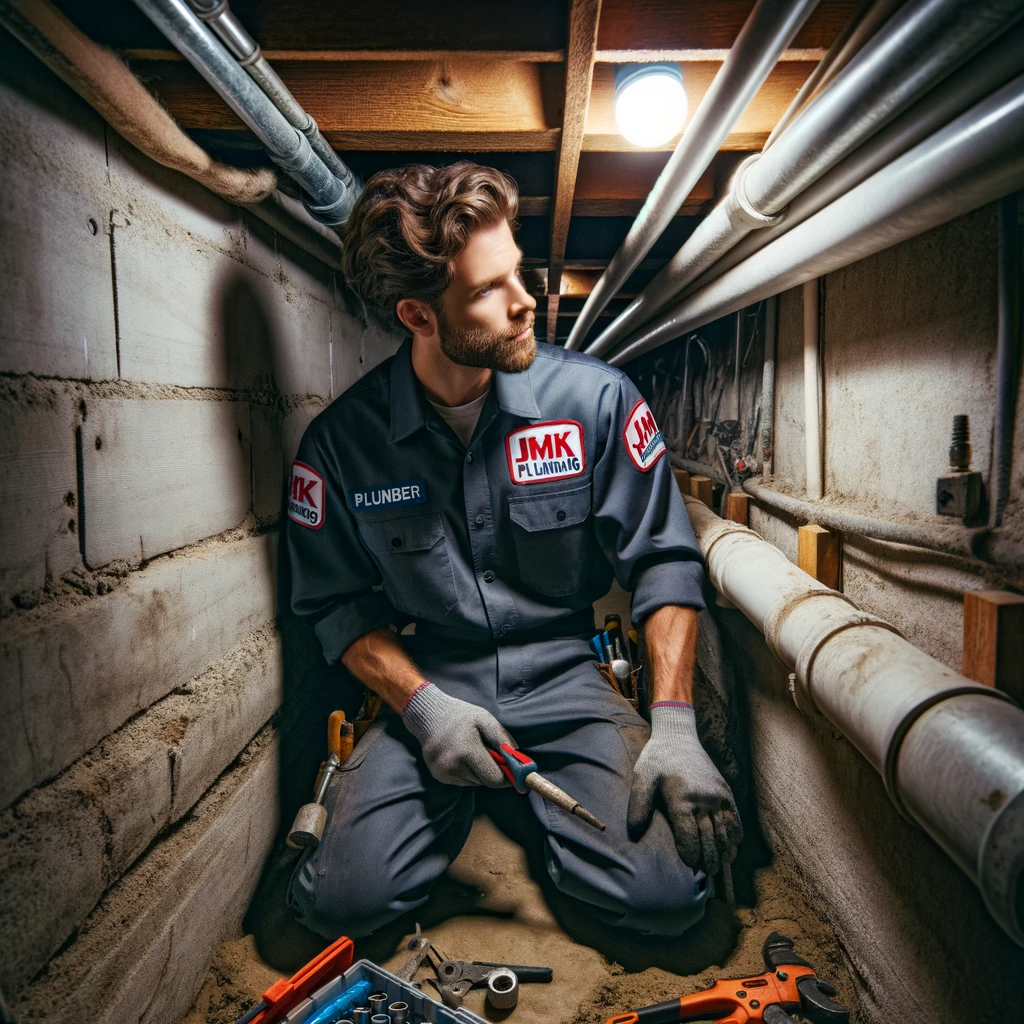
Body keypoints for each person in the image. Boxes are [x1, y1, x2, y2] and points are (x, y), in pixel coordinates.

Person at [286, 161, 741, 940]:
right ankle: (461, 786)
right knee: (339, 906)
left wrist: (672, 722)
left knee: (666, 899)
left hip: (569, 673)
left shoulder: (596, 403)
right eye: (489, 289)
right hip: (432, 680)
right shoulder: (340, 447)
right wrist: (423, 710)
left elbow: (665, 560)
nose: (527, 298)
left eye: (517, 271)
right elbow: (336, 606)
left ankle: (551, 816)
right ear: (417, 316)